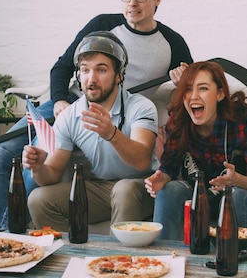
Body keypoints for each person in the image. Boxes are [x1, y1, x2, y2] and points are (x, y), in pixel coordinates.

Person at [0, 0, 193, 231]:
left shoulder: (172, 43)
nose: (133, 3)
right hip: (69, 103)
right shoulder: (102, 25)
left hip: (116, 109)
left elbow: (191, 87)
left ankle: (11, 230)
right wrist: (60, 100)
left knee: (32, 168)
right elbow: (61, 67)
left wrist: (183, 80)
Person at [22, 31, 158, 230]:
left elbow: (142, 160)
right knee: (38, 199)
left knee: (124, 189)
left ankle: (115, 259)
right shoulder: (70, 115)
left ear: (119, 75)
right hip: (100, 189)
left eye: (101, 70)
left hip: (141, 186)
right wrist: (37, 167)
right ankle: (74, 253)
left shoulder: (141, 107)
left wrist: (111, 133)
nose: (91, 79)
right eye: (85, 70)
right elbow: (51, 175)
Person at [144, 61, 247, 240]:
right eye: (188, 90)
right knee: (169, 189)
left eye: (203, 88)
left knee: (235, 197)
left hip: (237, 192)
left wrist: (236, 180)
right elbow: (169, 167)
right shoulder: (179, 120)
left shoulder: (243, 118)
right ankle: (166, 261)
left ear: (220, 94)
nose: (193, 97)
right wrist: (161, 178)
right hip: (197, 193)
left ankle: (233, 262)